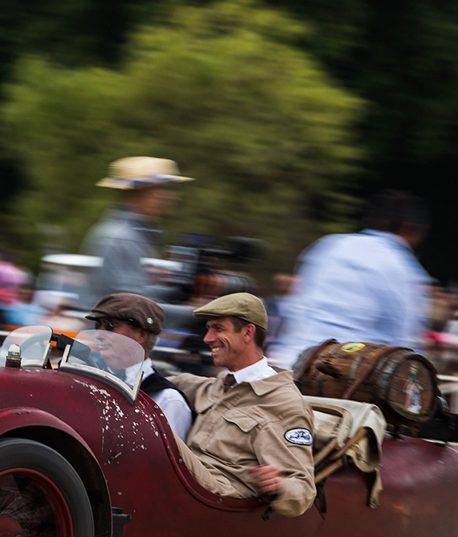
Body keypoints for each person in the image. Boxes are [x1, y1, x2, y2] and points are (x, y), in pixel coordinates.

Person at [166, 292, 318, 517]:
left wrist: (279, 484)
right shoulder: (219, 384)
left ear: (248, 332)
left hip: (218, 497)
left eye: (218, 329)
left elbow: (303, 489)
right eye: (208, 329)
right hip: (188, 485)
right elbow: (166, 382)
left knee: (155, 434)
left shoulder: (284, 403)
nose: (207, 338)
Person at [269, 190, 431, 367]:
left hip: (289, 362)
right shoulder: (404, 268)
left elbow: (296, 307)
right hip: (343, 376)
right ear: (414, 229)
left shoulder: (329, 245)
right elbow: (405, 341)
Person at [78, 156, 192, 310]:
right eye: (167, 188)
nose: (173, 196)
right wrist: (192, 311)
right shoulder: (120, 236)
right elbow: (128, 303)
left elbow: (137, 293)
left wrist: (176, 292)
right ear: (147, 191)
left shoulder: (136, 233)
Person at [86, 292, 193, 439]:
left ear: (141, 335)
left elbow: (163, 460)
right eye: (98, 324)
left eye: (110, 326)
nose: (98, 334)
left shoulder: (166, 400)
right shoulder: (90, 380)